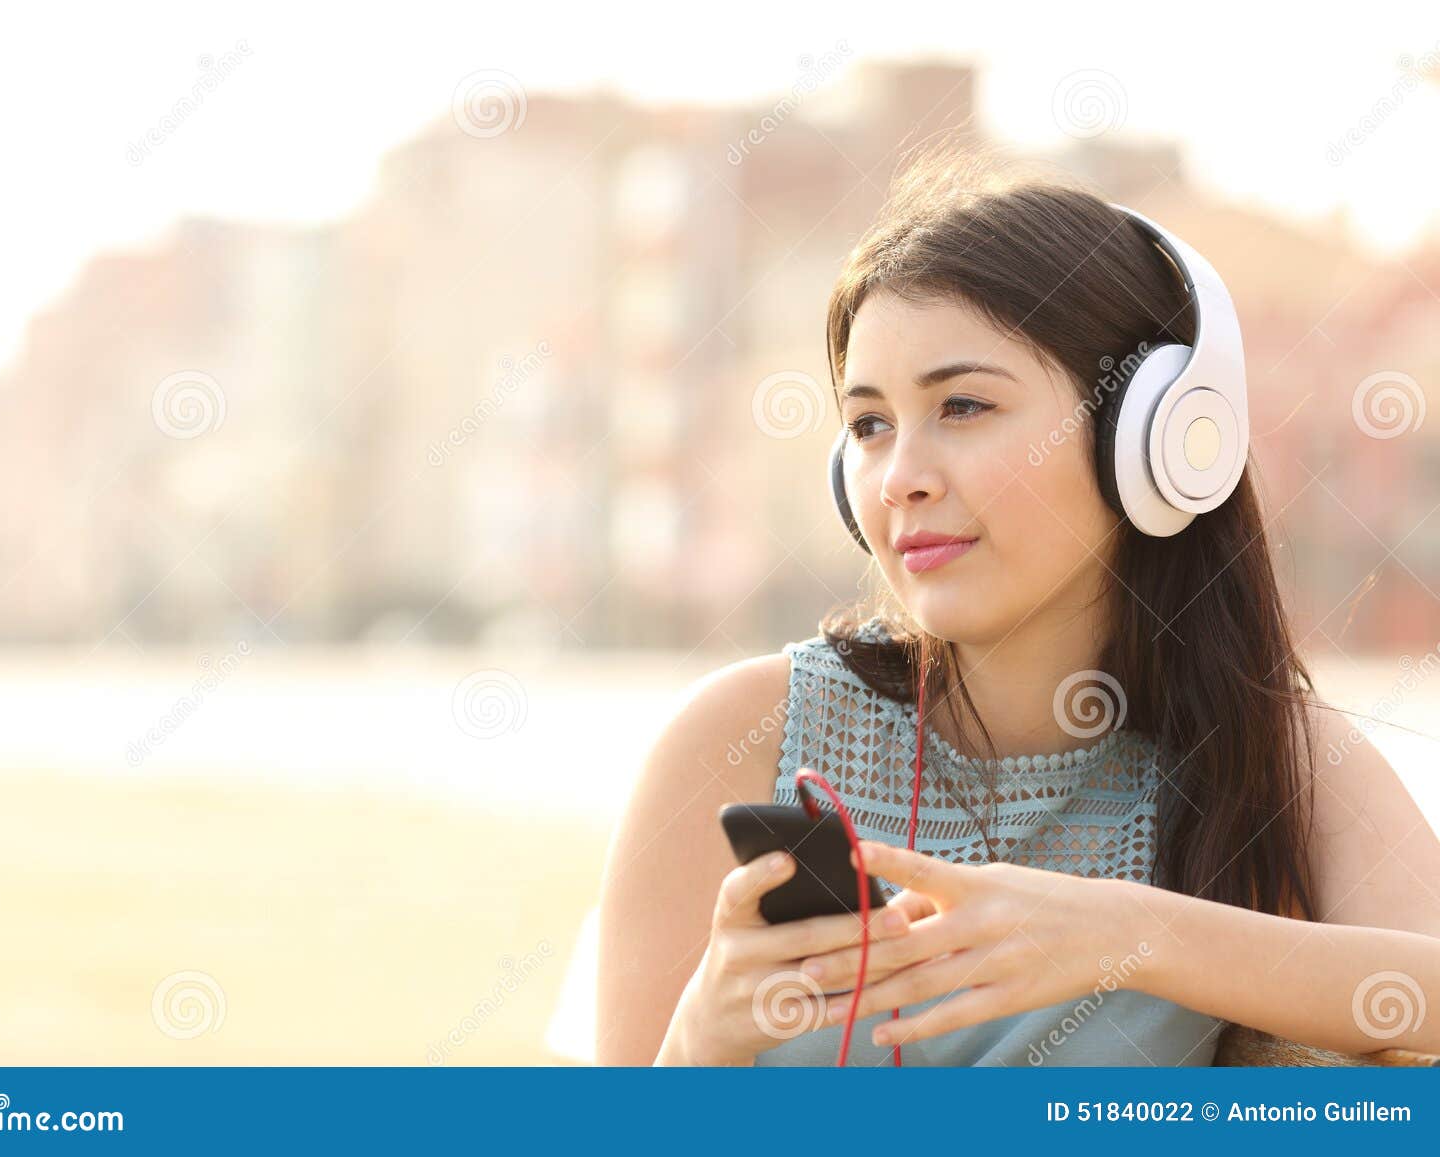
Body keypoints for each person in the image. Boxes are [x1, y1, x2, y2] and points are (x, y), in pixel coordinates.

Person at [594, 143, 1440, 1067]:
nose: (900, 478)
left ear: (1150, 436)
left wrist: (1128, 930)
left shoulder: (1271, 748)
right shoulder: (744, 732)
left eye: (961, 406)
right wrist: (698, 1036)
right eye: (869, 425)